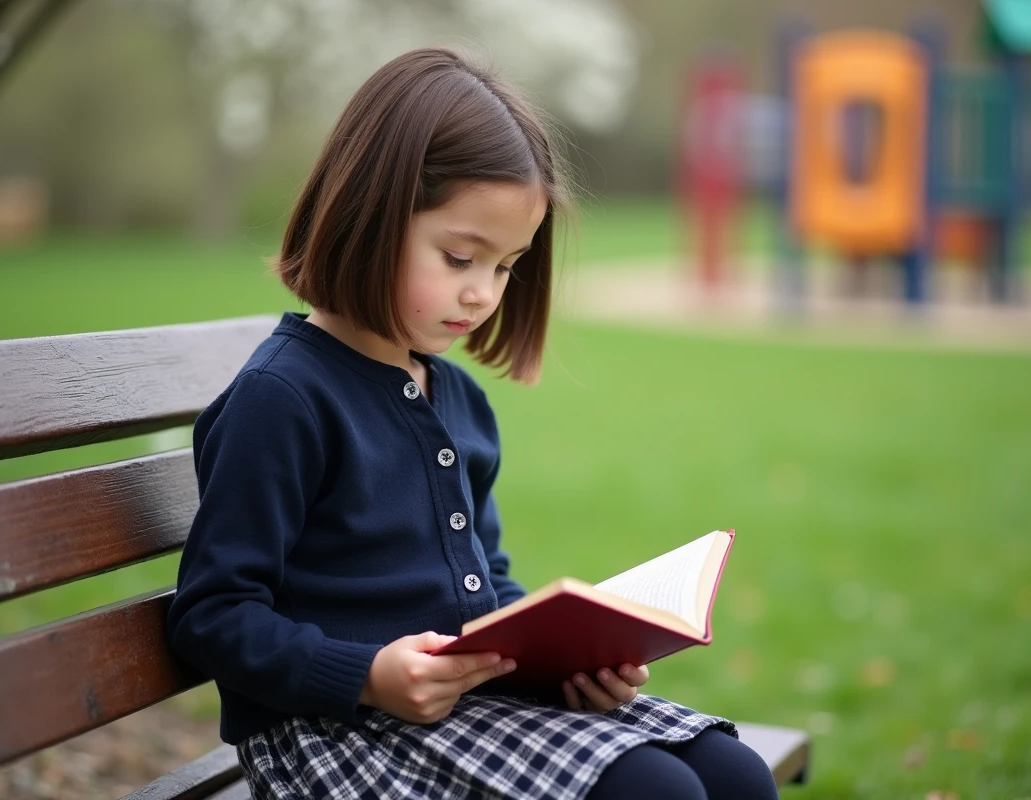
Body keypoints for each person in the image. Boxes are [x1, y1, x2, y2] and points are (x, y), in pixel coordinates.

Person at [167, 46, 778, 800]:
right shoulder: (283, 399)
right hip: (333, 731)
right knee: (655, 792)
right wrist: (367, 675)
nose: (485, 293)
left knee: (735, 774)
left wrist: (568, 667)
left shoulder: (456, 398)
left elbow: (481, 584)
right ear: (370, 214)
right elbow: (212, 616)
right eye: (460, 257)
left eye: (506, 266)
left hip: (463, 704)